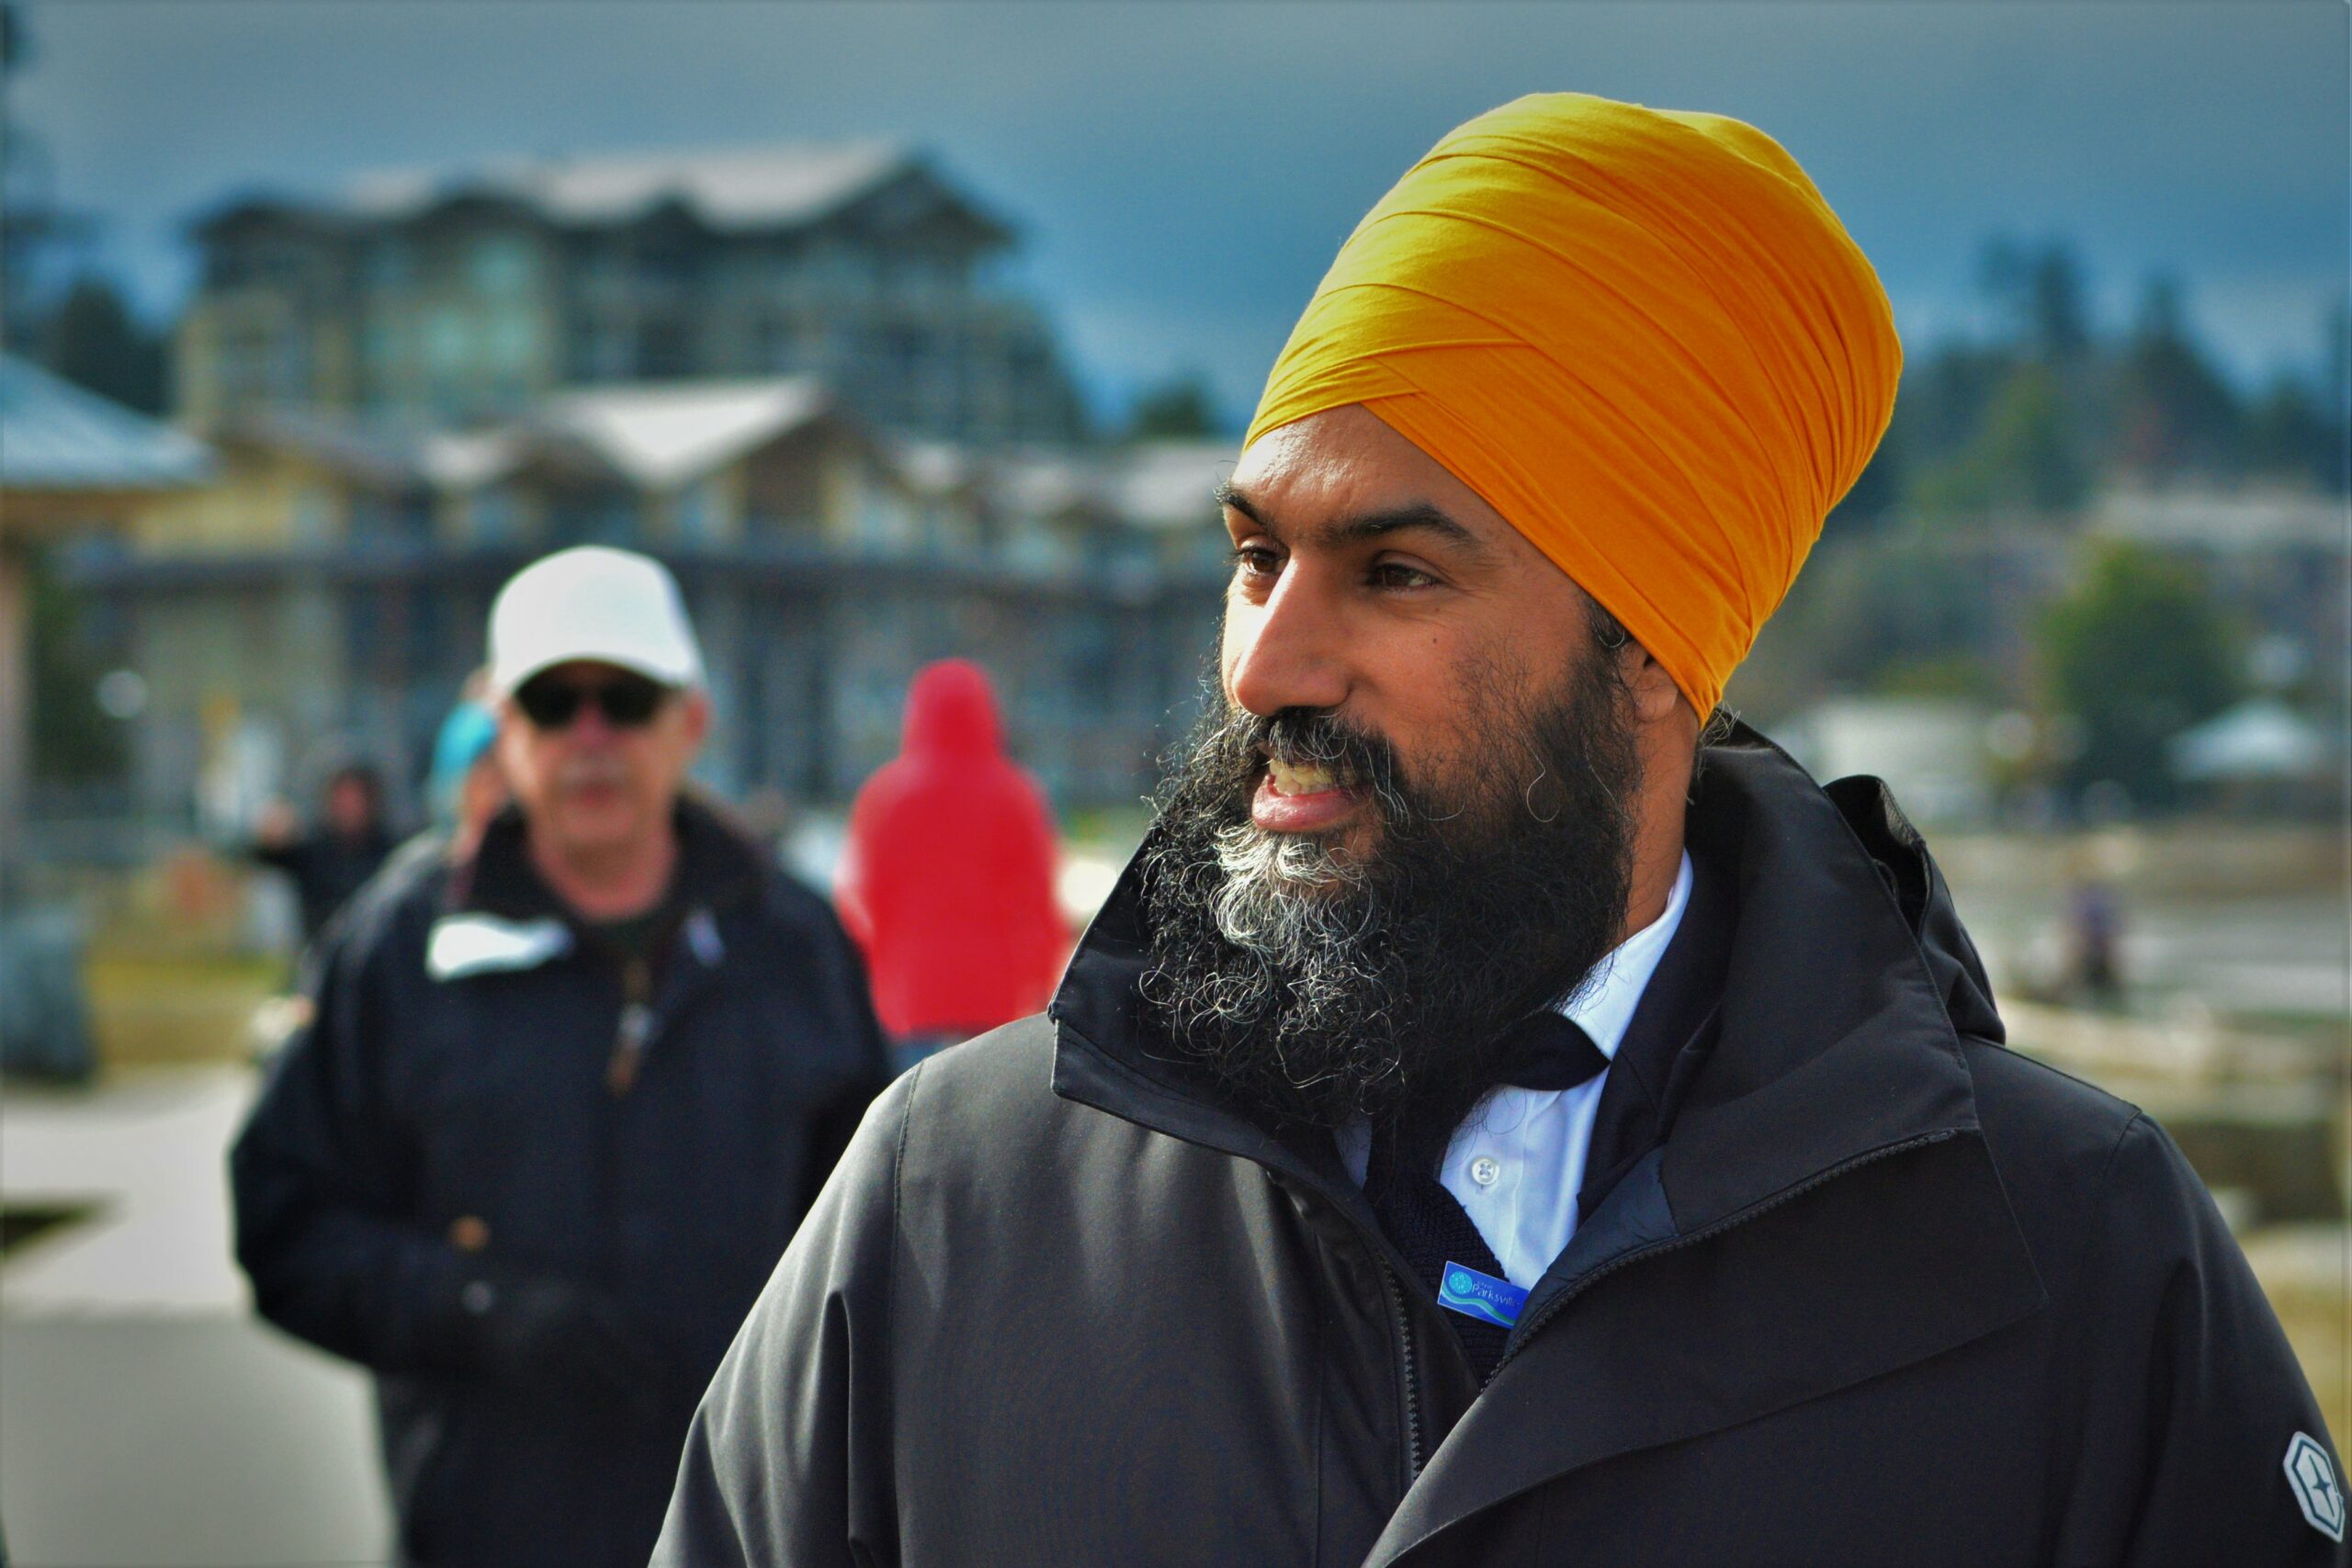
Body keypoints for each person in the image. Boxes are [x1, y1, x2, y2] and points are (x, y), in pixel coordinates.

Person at [655, 96, 2347, 1567]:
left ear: (1651, 664)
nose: (1267, 660)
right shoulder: (955, 1201)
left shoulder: (2062, 1253)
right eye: (1256, 556)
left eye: (1396, 572)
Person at [232, 545, 890, 1568]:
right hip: (488, 1529)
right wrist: (476, 1311)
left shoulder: (796, 948)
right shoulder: (399, 951)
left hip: (754, 1530)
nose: (590, 737)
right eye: (552, 702)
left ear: (690, 723)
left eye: (624, 699)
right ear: (501, 730)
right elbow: (283, 1225)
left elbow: (882, 1244)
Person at [835, 659, 1069, 1072]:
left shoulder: (884, 797)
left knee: (911, 1126)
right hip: (997, 999)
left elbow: (861, 902)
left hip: (910, 1000)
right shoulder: (1016, 796)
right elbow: (1037, 902)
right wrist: (1042, 983)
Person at [249, 759, 396, 943]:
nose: (349, 805)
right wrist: (271, 828)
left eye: (355, 797)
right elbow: (264, 854)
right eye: (342, 796)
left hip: (372, 958)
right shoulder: (312, 850)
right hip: (319, 956)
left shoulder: (391, 853)